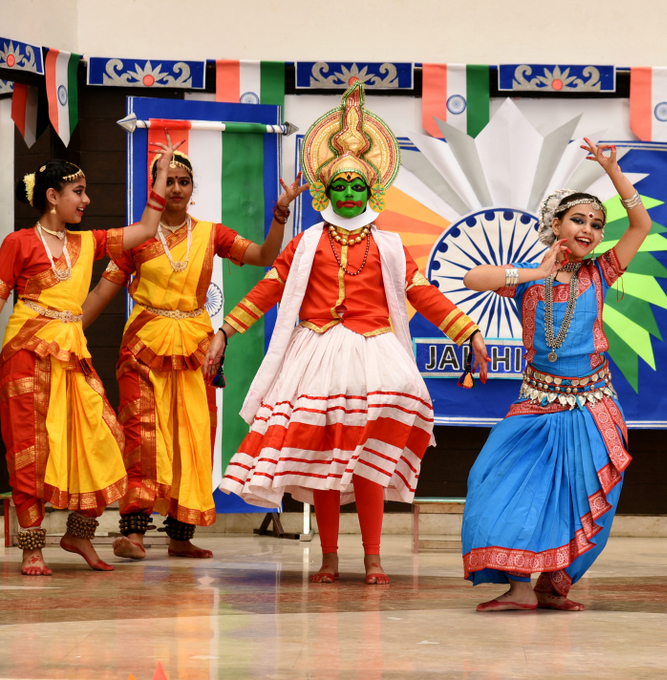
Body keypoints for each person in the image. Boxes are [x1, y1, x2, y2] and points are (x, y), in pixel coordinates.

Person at [207, 81, 489, 585]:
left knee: (367, 464)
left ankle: (374, 557)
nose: (350, 193)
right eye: (340, 185)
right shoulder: (305, 243)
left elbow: (422, 294)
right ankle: (331, 557)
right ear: (325, 190)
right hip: (316, 356)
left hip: (376, 354)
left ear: (372, 190)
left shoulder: (393, 245)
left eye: (359, 186)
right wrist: (225, 331)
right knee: (324, 467)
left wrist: (468, 333)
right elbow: (267, 291)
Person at [79, 151, 304, 560]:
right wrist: (67, 335)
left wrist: (280, 215)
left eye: (184, 181)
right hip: (143, 347)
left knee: (194, 437)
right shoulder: (136, 238)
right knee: (143, 437)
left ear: (192, 188)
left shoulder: (211, 234)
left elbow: (264, 257)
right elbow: (100, 293)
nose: (177, 188)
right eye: (168, 180)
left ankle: (180, 536)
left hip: (197, 350)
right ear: (155, 187)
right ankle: (135, 534)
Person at [460, 138, 651, 611]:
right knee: (497, 479)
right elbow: (472, 280)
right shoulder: (527, 278)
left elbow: (641, 224)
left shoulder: (601, 272)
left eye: (596, 224)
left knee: (577, 497)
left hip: (592, 404)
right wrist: (528, 275)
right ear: (556, 225)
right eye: (578, 219)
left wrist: (613, 175)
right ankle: (518, 589)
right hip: (537, 403)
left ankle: (550, 586)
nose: (588, 229)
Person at [3, 137, 177, 575]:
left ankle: (79, 531)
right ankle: (31, 548)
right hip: (26, 351)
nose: (86, 199)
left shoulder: (87, 243)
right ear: (52, 196)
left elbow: (145, 231)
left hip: (71, 354)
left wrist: (159, 179)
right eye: (77, 192)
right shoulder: (18, 243)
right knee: (30, 448)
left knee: (105, 440)